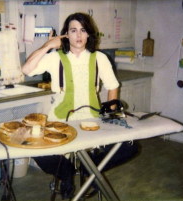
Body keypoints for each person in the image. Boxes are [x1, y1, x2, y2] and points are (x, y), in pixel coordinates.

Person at [22, 13, 138, 199]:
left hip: (92, 122)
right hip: (59, 123)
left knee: (129, 147)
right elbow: (26, 70)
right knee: (35, 150)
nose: (78, 35)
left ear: (89, 34)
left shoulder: (99, 58)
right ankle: (66, 174)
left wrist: (112, 116)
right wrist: (48, 45)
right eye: (73, 30)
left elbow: (113, 86)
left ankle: (89, 168)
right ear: (66, 34)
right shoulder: (55, 57)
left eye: (83, 30)